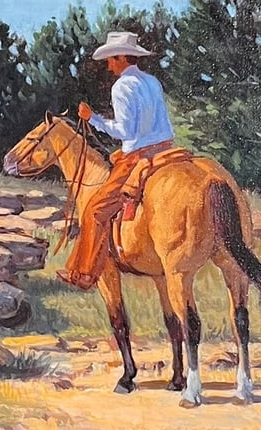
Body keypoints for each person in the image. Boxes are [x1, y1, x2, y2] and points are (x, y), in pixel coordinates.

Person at [57, 31, 177, 290]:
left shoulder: (122, 86)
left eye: (112, 59)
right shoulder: (152, 82)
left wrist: (92, 119)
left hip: (138, 156)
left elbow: (125, 131)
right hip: (167, 150)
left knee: (95, 210)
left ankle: (85, 272)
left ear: (123, 57)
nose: (109, 65)